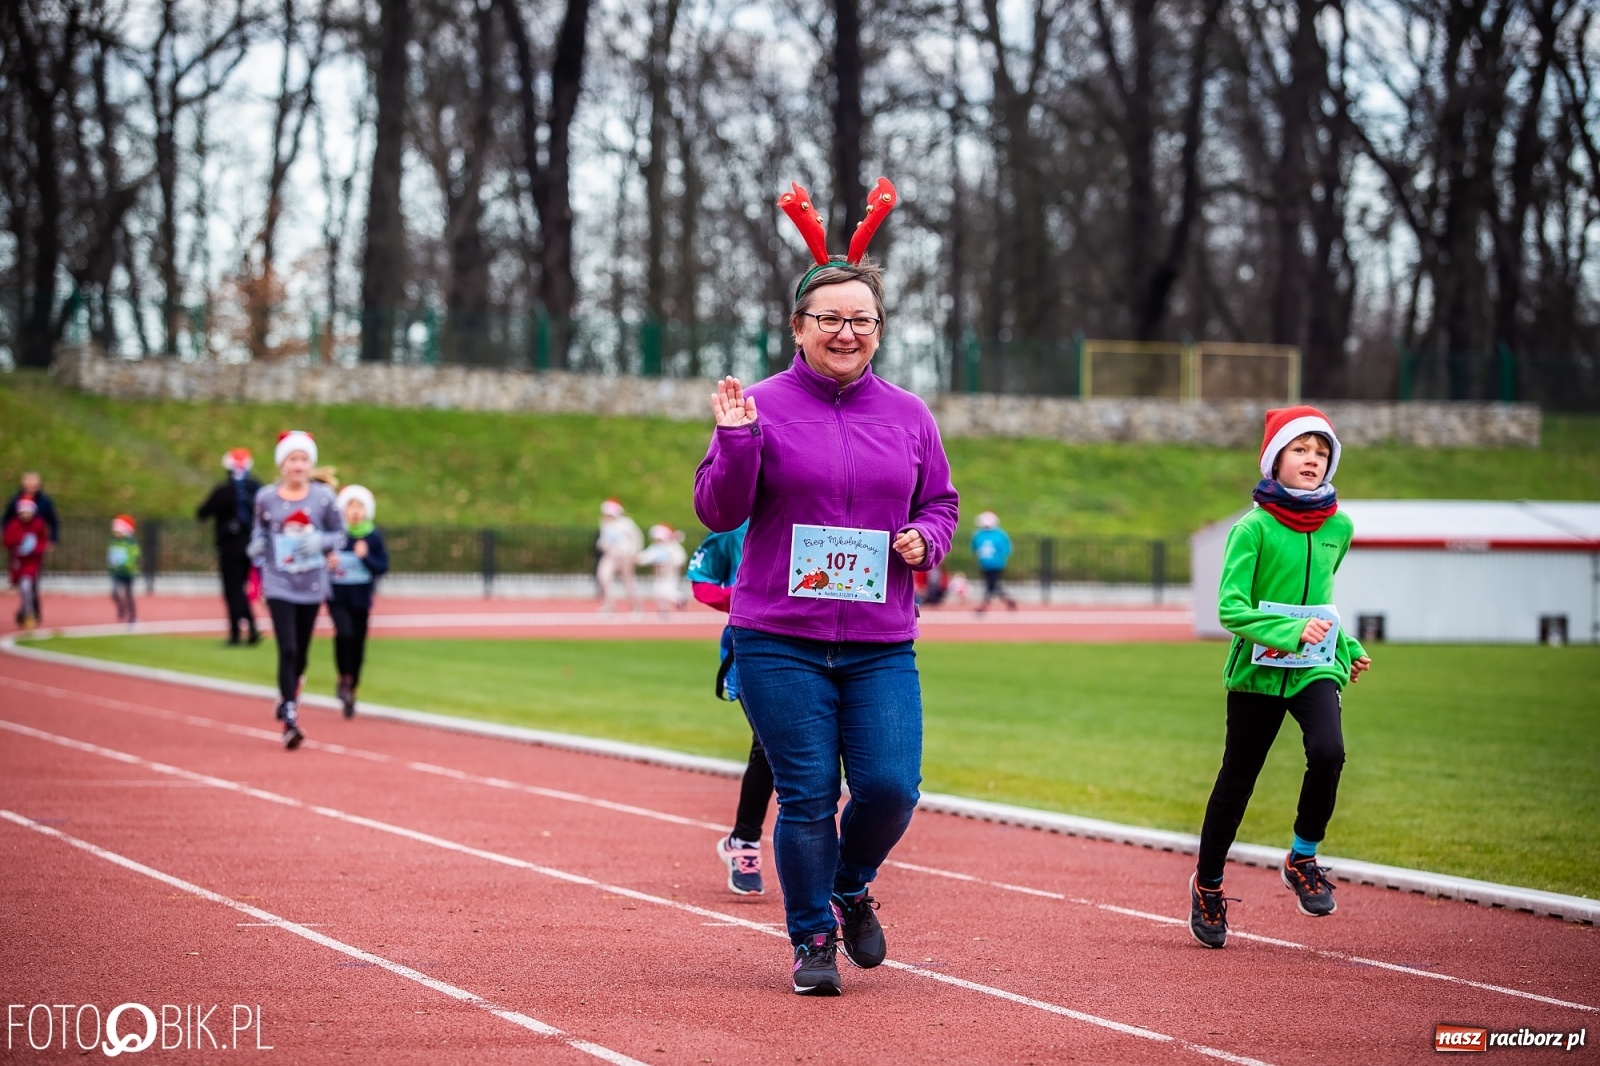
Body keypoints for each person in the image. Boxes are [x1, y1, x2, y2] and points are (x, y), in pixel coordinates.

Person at [694, 177, 959, 996]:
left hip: (880, 642)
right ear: (799, 327)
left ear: (879, 329)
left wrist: (926, 539)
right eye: (831, 318)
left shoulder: (910, 413)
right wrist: (735, 444)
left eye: (863, 319)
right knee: (807, 794)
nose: (848, 332)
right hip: (780, 638)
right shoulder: (760, 407)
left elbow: (939, 501)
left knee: (888, 788)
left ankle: (848, 885)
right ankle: (811, 937)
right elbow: (718, 507)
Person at [1189, 405, 1373, 949]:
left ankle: (1302, 856)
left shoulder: (1340, 525)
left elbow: (1322, 602)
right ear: (1274, 460)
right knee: (1237, 783)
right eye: (1300, 451)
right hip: (1258, 672)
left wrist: (1347, 643)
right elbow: (1230, 608)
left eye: (1321, 453)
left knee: (1330, 751)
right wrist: (1288, 634)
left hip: (1313, 670)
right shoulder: (1252, 527)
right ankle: (1208, 886)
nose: (1312, 460)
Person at [688, 520, 774, 896]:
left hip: (829, 646)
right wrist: (740, 597)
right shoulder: (734, 529)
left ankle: (832, 859)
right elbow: (702, 580)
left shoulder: (826, 514)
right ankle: (745, 842)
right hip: (754, 648)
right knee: (771, 743)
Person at [247, 431, 345, 749]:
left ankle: (290, 690)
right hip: (279, 582)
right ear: (282, 464)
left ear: (310, 463)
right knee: (286, 648)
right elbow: (259, 529)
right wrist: (258, 546)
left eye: (303, 459)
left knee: (301, 652)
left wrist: (322, 541)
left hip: (312, 582)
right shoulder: (266, 497)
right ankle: (290, 718)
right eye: (292, 459)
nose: (298, 465)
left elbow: (340, 534)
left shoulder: (323, 498)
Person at [328, 484, 389, 718]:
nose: (355, 511)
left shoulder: (372, 536)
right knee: (344, 633)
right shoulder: (336, 535)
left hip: (361, 597)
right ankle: (342, 677)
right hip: (338, 595)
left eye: (359, 507)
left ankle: (353, 688)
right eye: (350, 506)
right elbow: (321, 559)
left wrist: (367, 558)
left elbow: (382, 567)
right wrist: (329, 562)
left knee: (359, 643)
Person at [197, 449, 263, 644]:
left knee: (232, 590)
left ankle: (237, 632)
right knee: (238, 590)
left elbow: (202, 513)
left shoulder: (224, 491)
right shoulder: (256, 489)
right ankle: (249, 628)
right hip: (250, 545)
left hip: (232, 546)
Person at [4, 472, 59, 623]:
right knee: (20, 582)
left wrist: (51, 540)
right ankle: (25, 610)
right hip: (18, 554)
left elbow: (53, 522)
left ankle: (31, 612)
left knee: (31, 582)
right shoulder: (15, 501)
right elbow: (6, 522)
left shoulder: (44, 502)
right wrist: (8, 539)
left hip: (34, 555)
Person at [4, 496, 50, 631]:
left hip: (31, 562)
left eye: (28, 512)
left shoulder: (38, 524)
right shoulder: (14, 525)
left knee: (27, 586)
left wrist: (35, 549)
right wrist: (18, 542)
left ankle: (29, 614)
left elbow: (43, 541)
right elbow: (7, 541)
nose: (25, 515)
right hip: (18, 561)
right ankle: (23, 611)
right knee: (23, 589)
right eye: (23, 512)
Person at [595, 498, 643, 612]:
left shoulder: (626, 523)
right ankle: (608, 605)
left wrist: (635, 552)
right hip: (610, 555)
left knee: (628, 581)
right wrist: (601, 545)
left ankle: (636, 606)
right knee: (603, 577)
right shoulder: (605, 523)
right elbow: (604, 539)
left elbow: (637, 537)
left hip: (624, 556)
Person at [971, 511, 1018, 612]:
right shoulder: (979, 534)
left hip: (996, 565)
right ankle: (1008, 599)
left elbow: (1006, 549)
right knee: (993, 586)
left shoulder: (999, 534)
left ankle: (984, 605)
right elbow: (974, 548)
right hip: (985, 565)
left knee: (990, 586)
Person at [637, 524, 688, 614]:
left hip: (670, 573)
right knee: (658, 590)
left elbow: (680, 558)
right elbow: (646, 557)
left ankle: (680, 599)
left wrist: (672, 561)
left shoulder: (672, 547)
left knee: (667, 590)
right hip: (659, 574)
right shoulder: (655, 548)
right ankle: (663, 608)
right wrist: (637, 558)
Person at [107, 514, 141, 624]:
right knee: (114, 592)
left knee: (129, 595)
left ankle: (133, 617)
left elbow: (134, 556)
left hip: (128, 573)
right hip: (116, 572)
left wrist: (126, 565)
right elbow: (111, 555)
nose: (116, 533)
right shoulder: (114, 541)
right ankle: (121, 607)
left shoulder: (131, 543)